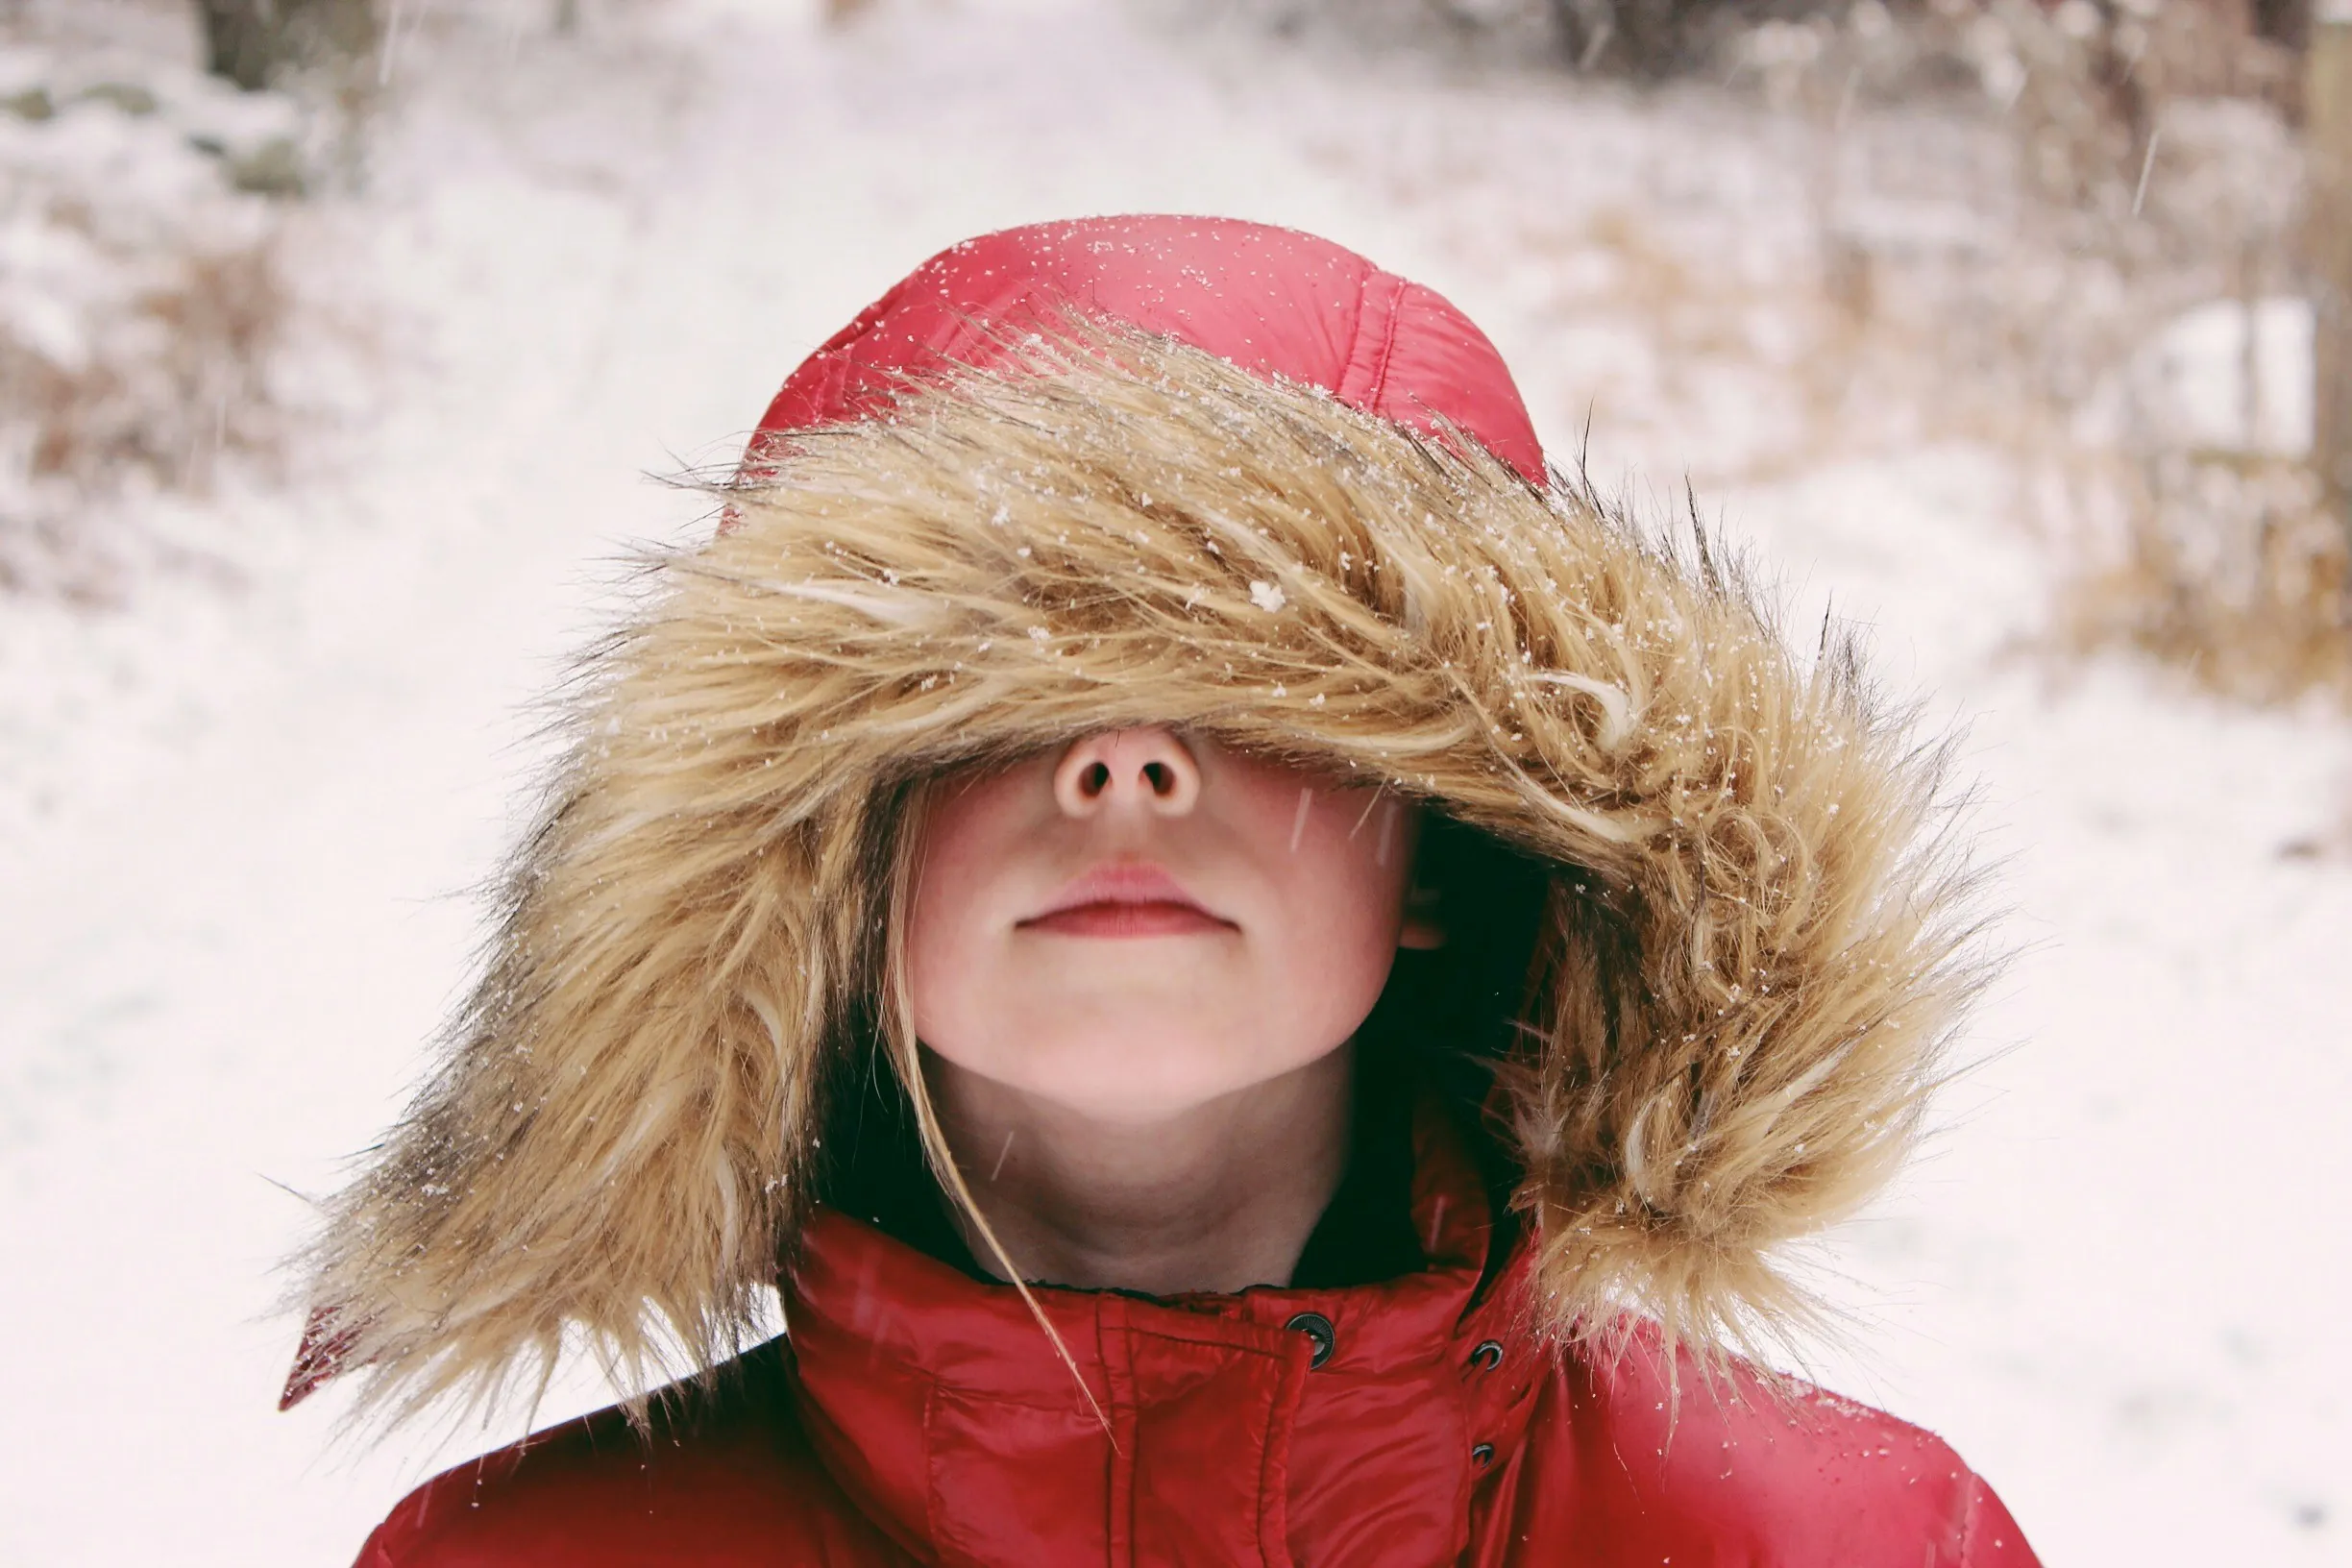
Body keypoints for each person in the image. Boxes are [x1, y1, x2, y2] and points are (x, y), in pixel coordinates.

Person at [288, 215, 2040, 1565]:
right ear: (827, 866)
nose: (1125, 768)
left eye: (1261, 693)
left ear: (1437, 845)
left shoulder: (1847, 1547)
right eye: (998, 699)